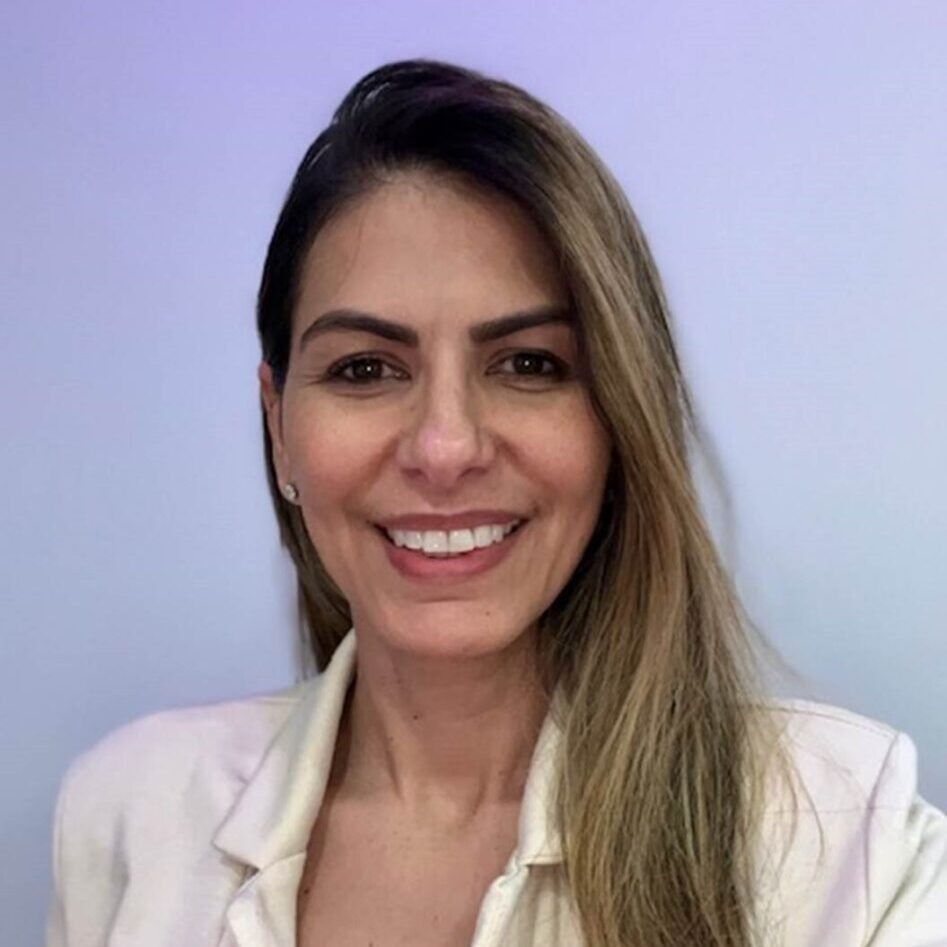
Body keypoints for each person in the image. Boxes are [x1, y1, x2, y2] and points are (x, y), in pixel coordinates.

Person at [45, 59, 946, 947]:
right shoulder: (131, 812)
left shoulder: (846, 839)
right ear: (278, 427)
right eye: (365, 368)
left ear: (621, 417)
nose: (444, 448)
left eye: (528, 365)